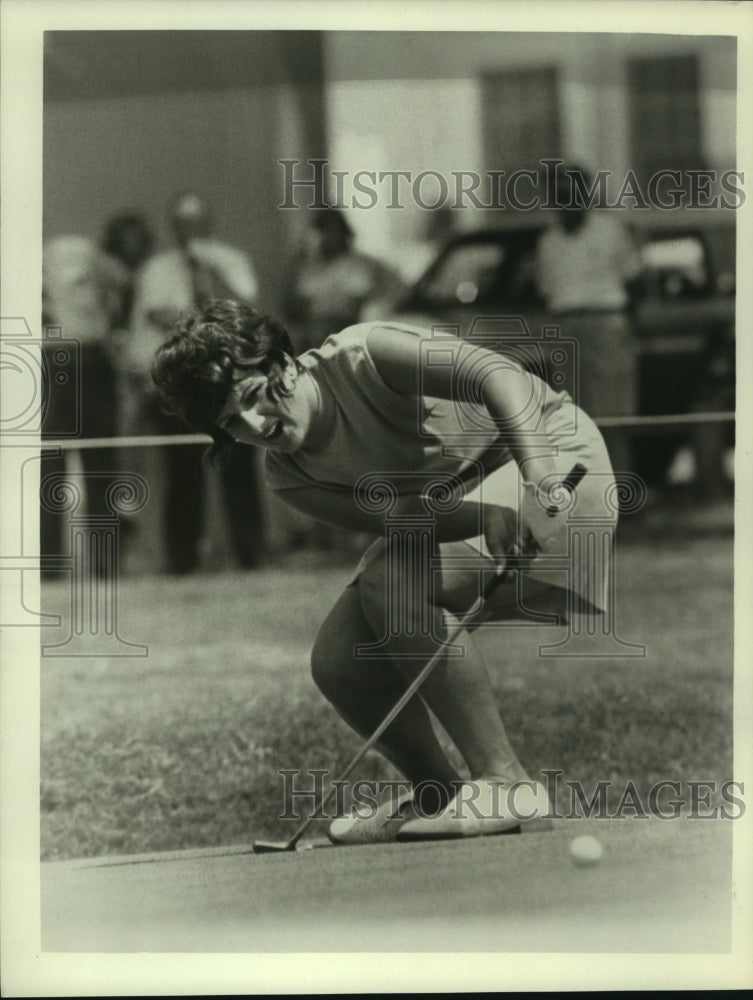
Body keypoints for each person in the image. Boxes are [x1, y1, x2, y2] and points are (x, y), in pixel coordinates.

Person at [152, 300, 616, 842]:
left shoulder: (367, 353)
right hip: (475, 499)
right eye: (232, 422)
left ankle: (506, 782)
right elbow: (405, 518)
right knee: (339, 659)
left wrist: (538, 482)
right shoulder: (286, 474)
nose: (257, 425)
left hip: (554, 460)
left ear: (284, 362)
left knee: (391, 585)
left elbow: (500, 375)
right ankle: (436, 792)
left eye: (255, 397)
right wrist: (487, 514)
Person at [128, 192, 265, 573]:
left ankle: (250, 554)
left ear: (208, 223)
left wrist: (213, 277)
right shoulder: (158, 268)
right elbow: (160, 316)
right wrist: (210, 316)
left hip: (228, 378)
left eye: (196, 222)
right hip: (183, 379)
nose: (190, 230)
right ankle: (182, 559)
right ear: (173, 228)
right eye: (182, 223)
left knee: (239, 465)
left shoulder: (232, 261)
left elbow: (247, 309)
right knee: (183, 469)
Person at [535, 165, 642, 484]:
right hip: (566, 328)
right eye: (558, 194)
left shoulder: (611, 231)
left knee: (613, 416)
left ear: (585, 194)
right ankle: (583, 500)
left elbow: (634, 284)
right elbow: (545, 292)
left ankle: (623, 496)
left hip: (607, 323)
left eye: (571, 193)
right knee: (571, 418)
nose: (565, 201)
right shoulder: (547, 241)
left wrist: (624, 332)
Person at [41, 235, 121, 576]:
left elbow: (116, 287)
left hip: (90, 356)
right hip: (54, 356)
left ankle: (102, 564)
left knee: (100, 460)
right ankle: (49, 564)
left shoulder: (94, 262)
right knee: (51, 465)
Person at [281, 208, 405, 354]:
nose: (330, 236)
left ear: (344, 231)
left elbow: (397, 291)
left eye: (334, 230)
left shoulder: (363, 264)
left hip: (352, 339)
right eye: (324, 229)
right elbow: (290, 306)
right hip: (311, 339)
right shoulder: (305, 267)